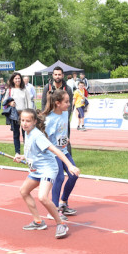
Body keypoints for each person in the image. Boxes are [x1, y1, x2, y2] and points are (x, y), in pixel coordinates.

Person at [14, 109, 79, 239]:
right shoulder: (27, 133)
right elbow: (34, 153)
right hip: (37, 170)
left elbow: (56, 150)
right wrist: (23, 157)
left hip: (48, 169)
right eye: (22, 120)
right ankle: (38, 221)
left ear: (34, 122)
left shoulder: (37, 136)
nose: (25, 123)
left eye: (28, 121)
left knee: (42, 197)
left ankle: (61, 224)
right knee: (24, 191)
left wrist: (70, 165)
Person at [44, 89, 79, 218]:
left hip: (64, 151)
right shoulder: (49, 120)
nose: (69, 104)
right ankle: (53, 210)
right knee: (59, 178)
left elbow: (61, 132)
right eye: (66, 102)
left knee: (74, 174)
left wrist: (65, 139)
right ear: (58, 103)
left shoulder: (64, 113)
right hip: (53, 153)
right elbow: (44, 140)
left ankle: (63, 202)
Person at [41, 66, 74, 151]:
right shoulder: (47, 87)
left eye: (59, 74)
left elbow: (69, 105)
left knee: (64, 142)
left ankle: (66, 159)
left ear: (63, 75)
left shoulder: (67, 88)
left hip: (62, 119)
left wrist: (66, 118)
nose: (57, 76)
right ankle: (53, 158)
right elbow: (43, 103)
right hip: (51, 119)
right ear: (53, 75)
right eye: (55, 74)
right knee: (50, 140)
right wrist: (44, 117)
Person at [3, 72, 31, 155]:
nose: (17, 80)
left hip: (24, 114)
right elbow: (4, 101)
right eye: (16, 78)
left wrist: (29, 113)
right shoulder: (10, 90)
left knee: (26, 134)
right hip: (14, 115)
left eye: (19, 78)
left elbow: (29, 102)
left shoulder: (24, 89)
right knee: (16, 134)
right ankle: (17, 152)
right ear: (13, 80)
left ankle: (27, 152)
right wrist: (9, 103)